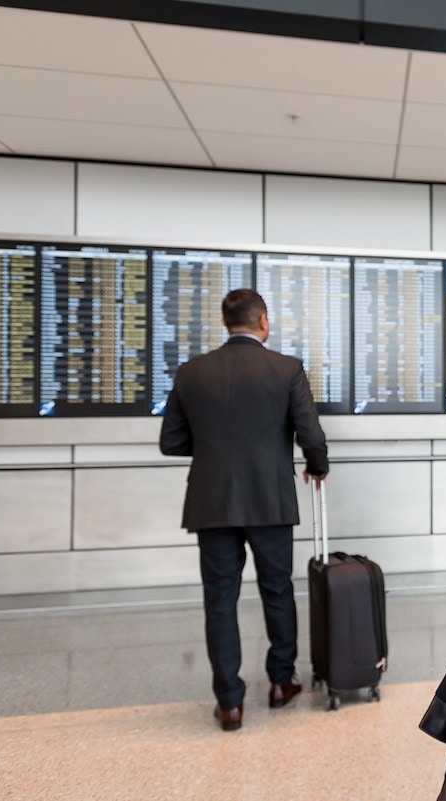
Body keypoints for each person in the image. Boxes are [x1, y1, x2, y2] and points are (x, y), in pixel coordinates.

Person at [159, 287, 328, 732]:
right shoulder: (286, 369)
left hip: (211, 501)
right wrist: (317, 466)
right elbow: (310, 432)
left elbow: (170, 442)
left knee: (219, 600)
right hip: (269, 500)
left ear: (224, 322)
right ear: (264, 322)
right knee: (277, 590)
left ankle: (230, 702)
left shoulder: (192, 372)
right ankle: (279, 682)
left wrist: (217, 449)